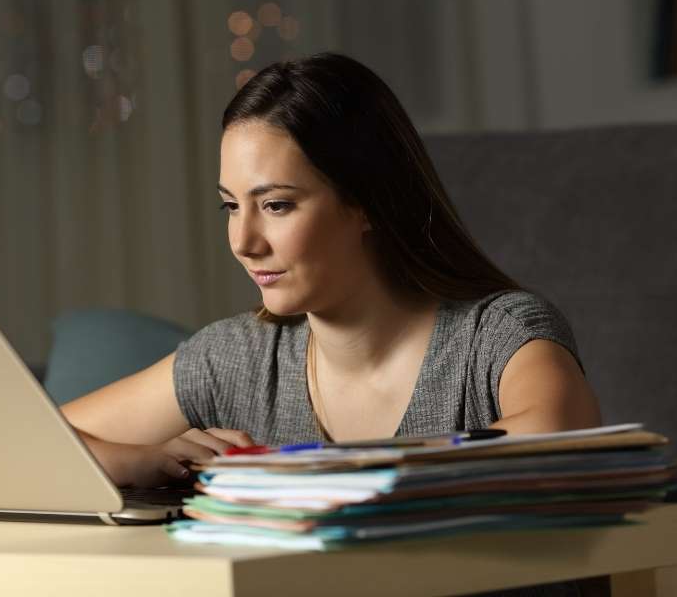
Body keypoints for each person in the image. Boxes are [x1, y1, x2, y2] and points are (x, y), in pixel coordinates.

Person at [60, 51, 601, 492]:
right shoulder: (236, 359)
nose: (243, 242)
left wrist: (316, 469)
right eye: (231, 206)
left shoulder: (497, 333)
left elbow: (561, 438)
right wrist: (141, 461)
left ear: (365, 200)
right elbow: (24, 442)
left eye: (276, 205)